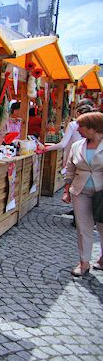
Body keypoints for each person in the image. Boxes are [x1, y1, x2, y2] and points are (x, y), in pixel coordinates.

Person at [62, 111, 103, 276]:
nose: (78, 129)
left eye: (81, 126)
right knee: (83, 227)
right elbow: (70, 169)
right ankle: (84, 262)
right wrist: (67, 190)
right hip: (81, 190)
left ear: (93, 128)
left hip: (102, 191)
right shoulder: (77, 146)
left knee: (102, 226)